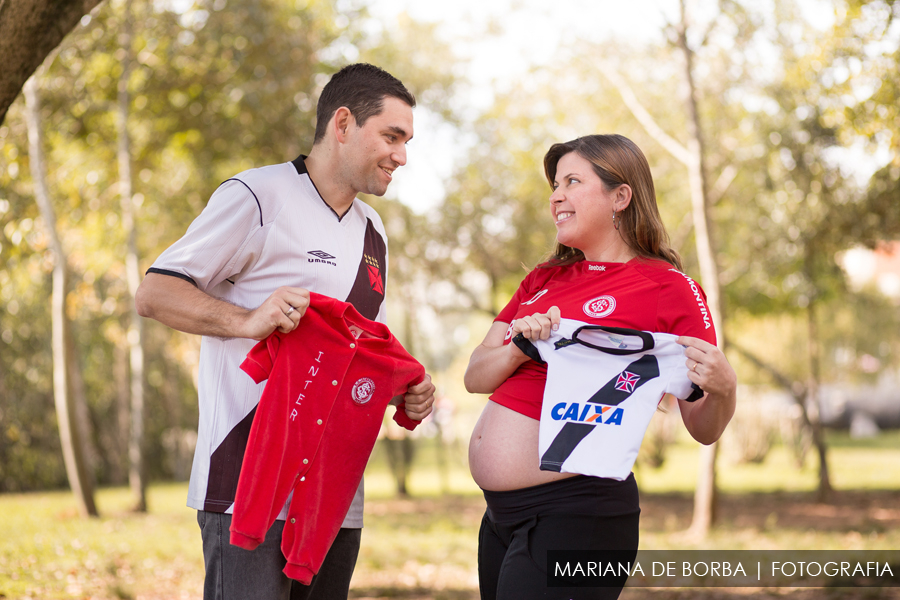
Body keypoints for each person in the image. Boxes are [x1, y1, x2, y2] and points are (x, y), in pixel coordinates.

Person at [135, 63, 436, 600]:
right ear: (342, 124)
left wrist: (407, 388)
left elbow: (361, 348)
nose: (402, 156)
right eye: (392, 136)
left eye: (407, 141)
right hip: (246, 484)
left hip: (334, 498)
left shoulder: (375, 231)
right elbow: (155, 292)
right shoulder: (258, 195)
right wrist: (245, 321)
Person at [464, 134, 737, 600]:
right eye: (554, 185)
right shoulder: (542, 279)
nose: (556, 196)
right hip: (500, 516)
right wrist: (518, 347)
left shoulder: (668, 288)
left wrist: (725, 390)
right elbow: (475, 377)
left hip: (579, 513)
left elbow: (703, 428)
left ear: (620, 196)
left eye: (572, 181)